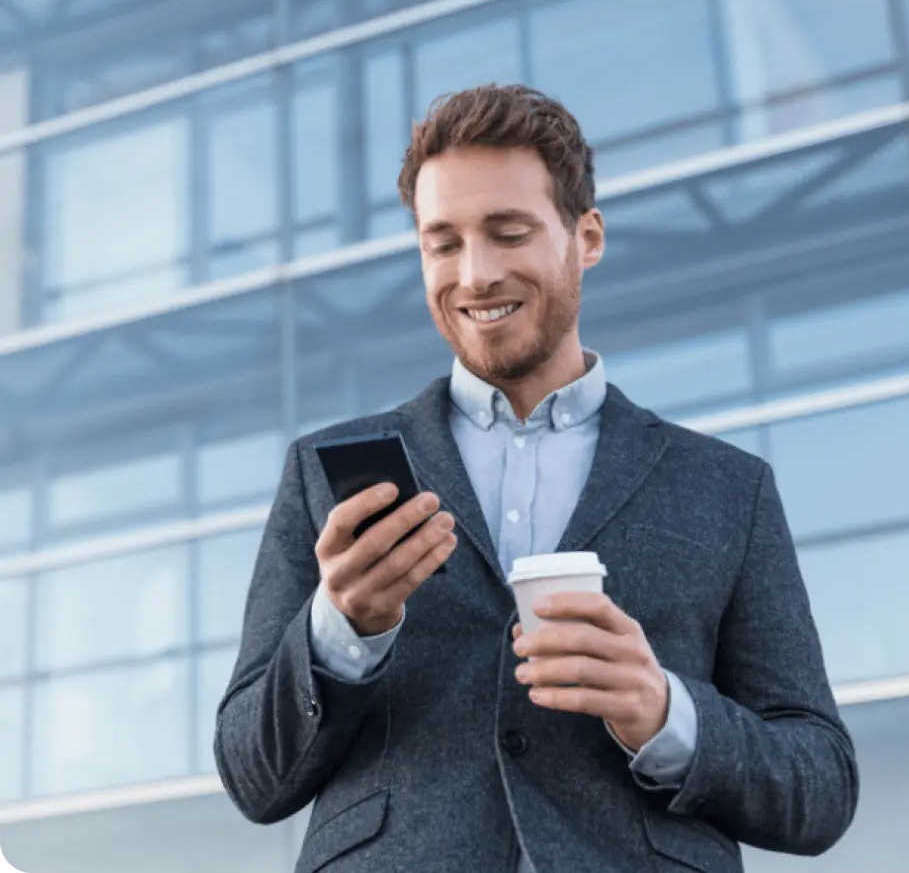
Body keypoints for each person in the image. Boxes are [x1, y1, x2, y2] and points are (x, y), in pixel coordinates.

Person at [214, 84, 859, 873]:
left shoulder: (728, 489)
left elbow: (821, 783)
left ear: (586, 237)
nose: (474, 274)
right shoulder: (326, 474)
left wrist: (665, 714)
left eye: (508, 232)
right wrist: (340, 629)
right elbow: (252, 776)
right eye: (441, 242)